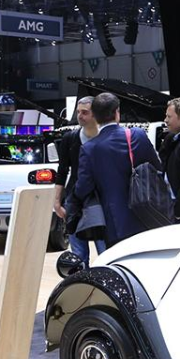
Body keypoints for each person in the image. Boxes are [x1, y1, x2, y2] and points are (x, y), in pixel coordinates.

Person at [72, 92, 162, 247]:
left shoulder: (89, 149)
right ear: (117, 112)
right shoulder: (138, 135)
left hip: (115, 224)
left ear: (95, 116)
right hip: (148, 215)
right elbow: (157, 168)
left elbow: (83, 188)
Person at [53, 96, 104, 264]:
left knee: (105, 251)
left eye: (85, 112)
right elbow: (62, 171)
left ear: (96, 114)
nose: (80, 116)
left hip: (101, 200)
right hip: (75, 200)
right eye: (78, 112)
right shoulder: (69, 138)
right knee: (79, 255)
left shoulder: (106, 137)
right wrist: (57, 202)